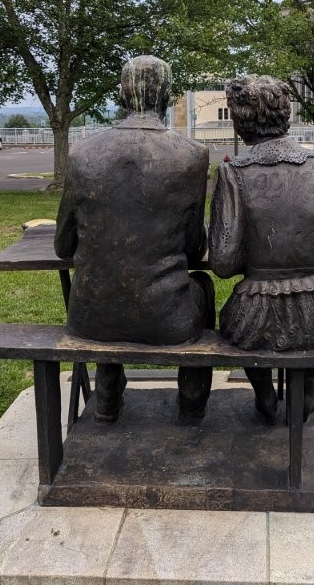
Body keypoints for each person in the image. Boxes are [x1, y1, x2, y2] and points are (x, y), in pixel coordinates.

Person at [55, 55, 214, 422]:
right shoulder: (192, 156)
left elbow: (63, 246)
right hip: (167, 319)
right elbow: (195, 249)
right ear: (166, 95)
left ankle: (107, 398)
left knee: (110, 280)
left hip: (89, 318)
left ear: (121, 95)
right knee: (203, 287)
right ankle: (192, 403)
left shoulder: (82, 153)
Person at [209, 75, 314, 423]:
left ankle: (265, 395)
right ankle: (306, 392)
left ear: (242, 121)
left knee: (238, 323)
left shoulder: (232, 172)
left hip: (256, 314)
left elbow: (223, 264)